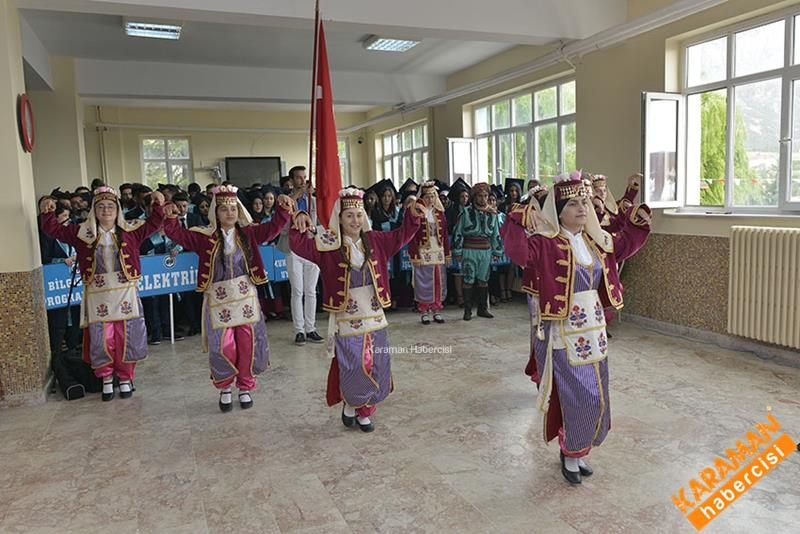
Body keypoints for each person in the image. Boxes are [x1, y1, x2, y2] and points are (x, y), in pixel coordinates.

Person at [500, 170, 652, 485]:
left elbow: (624, 246)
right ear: (558, 211)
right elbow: (516, 253)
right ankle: (570, 450)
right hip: (563, 332)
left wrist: (638, 221)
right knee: (579, 395)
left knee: (598, 394)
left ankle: (577, 450)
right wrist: (515, 219)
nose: (583, 209)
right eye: (573, 204)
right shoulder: (544, 244)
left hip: (594, 332)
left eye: (584, 202)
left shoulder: (596, 242)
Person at [289, 188, 424, 432]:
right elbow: (299, 245)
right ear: (339, 217)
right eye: (349, 215)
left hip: (374, 313)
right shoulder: (328, 244)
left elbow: (403, 234)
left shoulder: (376, 241)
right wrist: (298, 216)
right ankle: (354, 403)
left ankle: (364, 409)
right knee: (353, 363)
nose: (355, 221)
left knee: (378, 362)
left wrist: (413, 216)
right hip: (347, 315)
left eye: (359, 215)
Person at [163, 185, 294, 412]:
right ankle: (225, 387)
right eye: (224, 209)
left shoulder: (249, 234)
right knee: (222, 345)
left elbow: (273, 229)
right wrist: (170, 216)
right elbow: (179, 235)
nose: (229, 213)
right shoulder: (205, 238)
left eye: (233, 208)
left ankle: (245, 387)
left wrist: (283, 207)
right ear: (215, 212)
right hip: (218, 299)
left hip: (245, 298)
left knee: (246, 344)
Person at [39, 187, 166, 401]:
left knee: (125, 336)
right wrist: (46, 211)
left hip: (125, 292)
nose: (106, 210)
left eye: (110, 206)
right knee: (102, 338)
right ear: (94, 210)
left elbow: (155, 222)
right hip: (98, 293)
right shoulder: (82, 233)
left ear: (117, 210)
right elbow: (54, 230)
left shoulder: (131, 230)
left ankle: (125, 378)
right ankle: (106, 378)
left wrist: (158, 204)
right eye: (101, 206)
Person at [278, 165, 324, 345]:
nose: (302, 181)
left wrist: (314, 229)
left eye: (304, 177)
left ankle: (311, 328)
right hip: (293, 248)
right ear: (291, 181)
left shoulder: (314, 201)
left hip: (311, 248)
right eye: (298, 178)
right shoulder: (285, 201)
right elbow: (280, 227)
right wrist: (294, 198)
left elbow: (322, 224)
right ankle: (299, 330)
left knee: (311, 290)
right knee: (297, 290)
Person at [452, 182, 503, 321]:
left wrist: (497, 251)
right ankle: (467, 311)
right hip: (469, 250)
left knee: (483, 280)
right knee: (468, 280)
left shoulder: (492, 213)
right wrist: (457, 252)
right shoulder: (466, 212)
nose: (483, 198)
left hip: (485, 251)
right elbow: (458, 233)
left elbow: (496, 234)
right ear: (474, 197)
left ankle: (482, 309)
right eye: (480, 196)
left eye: (485, 196)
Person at [408, 181, 451, 324]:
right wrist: (414, 255)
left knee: (439, 280)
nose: (430, 199)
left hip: (437, 250)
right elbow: (412, 236)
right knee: (424, 281)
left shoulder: (440, 214)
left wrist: (447, 253)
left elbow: (444, 234)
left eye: (433, 196)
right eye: (427, 197)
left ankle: (436, 310)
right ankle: (424, 310)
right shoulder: (417, 213)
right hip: (423, 251)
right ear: (422, 197)